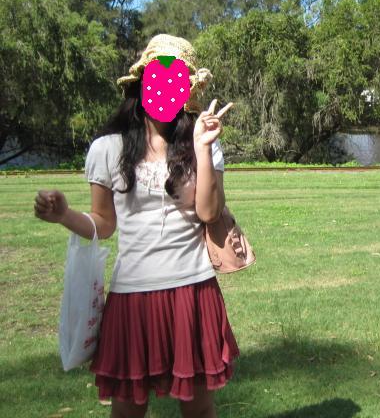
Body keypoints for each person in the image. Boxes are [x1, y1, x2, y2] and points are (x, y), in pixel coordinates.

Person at [34, 34, 240, 418]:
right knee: (127, 412)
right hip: (132, 298)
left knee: (199, 410)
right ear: (142, 85)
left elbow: (210, 213)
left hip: (193, 291)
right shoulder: (107, 148)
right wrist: (64, 215)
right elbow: (103, 224)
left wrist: (203, 147)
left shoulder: (204, 142)